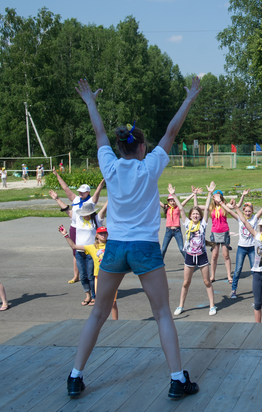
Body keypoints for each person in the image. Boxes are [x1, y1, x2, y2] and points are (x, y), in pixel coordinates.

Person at [66, 77, 202, 400]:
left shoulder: (110, 167)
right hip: (144, 248)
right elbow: (172, 132)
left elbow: (99, 133)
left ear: (119, 148)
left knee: (98, 313)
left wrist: (90, 102)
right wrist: (189, 98)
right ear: (142, 147)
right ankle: (176, 380)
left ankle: (74, 376)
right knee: (163, 313)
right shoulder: (149, 167)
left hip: (114, 247)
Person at [49, 178, 105, 301]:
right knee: (83, 276)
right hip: (80, 251)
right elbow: (66, 210)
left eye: (87, 212)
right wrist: (57, 199)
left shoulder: (96, 219)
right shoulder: (77, 218)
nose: (85, 214)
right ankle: (87, 295)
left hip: (91, 251)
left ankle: (95, 296)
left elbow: (104, 203)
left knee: (91, 275)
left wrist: (107, 185)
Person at [219, 191, 262, 299]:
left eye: (249, 211)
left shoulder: (255, 219)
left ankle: (259, 287)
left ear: (252, 211)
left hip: (252, 248)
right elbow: (228, 210)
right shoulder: (239, 218)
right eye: (245, 211)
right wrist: (220, 203)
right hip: (242, 247)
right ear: (243, 211)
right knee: (238, 269)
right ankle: (233, 290)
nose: (247, 213)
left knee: (255, 269)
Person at [170, 183, 216, 317]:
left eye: (197, 214)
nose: (195, 215)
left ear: (200, 216)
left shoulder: (203, 224)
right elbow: (181, 209)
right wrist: (173, 194)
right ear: (190, 216)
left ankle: (212, 306)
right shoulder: (187, 223)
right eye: (193, 214)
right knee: (186, 282)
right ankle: (181, 305)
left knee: (207, 281)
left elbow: (207, 209)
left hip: (201, 256)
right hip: (189, 256)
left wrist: (209, 193)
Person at [59, 225, 119, 320]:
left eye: (105, 233)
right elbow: (74, 246)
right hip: (98, 277)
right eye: (101, 233)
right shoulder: (92, 247)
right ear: (97, 236)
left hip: (111, 277)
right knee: (99, 303)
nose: (103, 235)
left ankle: (115, 323)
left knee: (113, 303)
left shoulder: (112, 246)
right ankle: (99, 323)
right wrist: (66, 235)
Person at [159, 187, 197, 261]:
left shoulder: (178, 208)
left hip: (177, 231)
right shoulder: (166, 208)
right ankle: (159, 263)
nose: (172, 202)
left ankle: (189, 261)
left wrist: (193, 194)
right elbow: (157, 201)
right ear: (168, 202)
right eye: (171, 201)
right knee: (163, 249)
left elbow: (186, 200)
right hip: (168, 231)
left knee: (181, 249)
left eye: (173, 201)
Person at [208, 189, 232, 284]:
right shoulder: (211, 207)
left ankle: (229, 275)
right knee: (214, 255)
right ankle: (212, 276)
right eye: (215, 197)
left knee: (226, 255)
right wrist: (195, 195)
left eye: (218, 196)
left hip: (224, 231)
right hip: (214, 232)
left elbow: (235, 206)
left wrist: (242, 196)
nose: (216, 198)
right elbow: (198, 207)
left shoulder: (225, 206)